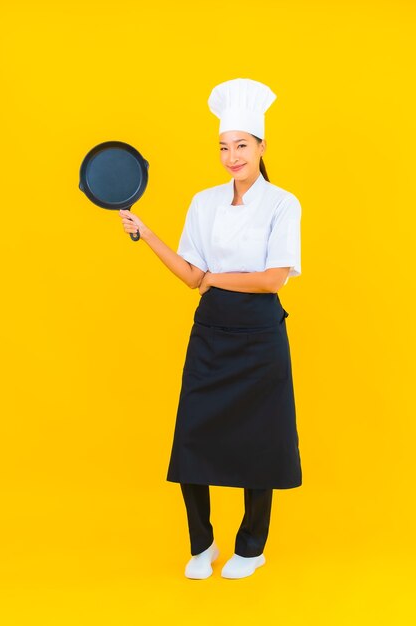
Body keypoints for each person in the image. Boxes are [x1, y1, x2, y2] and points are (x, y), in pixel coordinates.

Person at [119, 77, 302, 580]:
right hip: (211, 333)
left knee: (260, 441)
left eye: (241, 145)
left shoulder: (283, 203)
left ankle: (251, 547)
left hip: (262, 337)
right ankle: (202, 545)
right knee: (194, 437)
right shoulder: (203, 202)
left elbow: (272, 280)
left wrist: (213, 278)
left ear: (261, 147)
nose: (231, 156)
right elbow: (188, 276)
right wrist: (148, 233)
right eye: (224, 147)